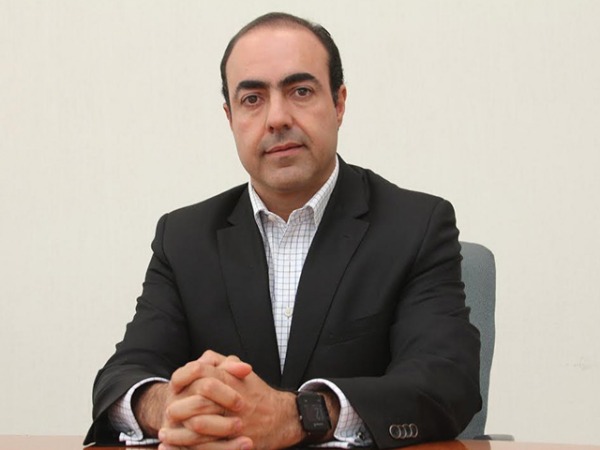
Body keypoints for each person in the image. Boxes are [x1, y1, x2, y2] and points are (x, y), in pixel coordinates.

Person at [85, 12, 481, 450]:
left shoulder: (416, 225)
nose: (276, 118)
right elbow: (122, 376)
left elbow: (446, 381)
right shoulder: (183, 238)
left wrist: (300, 416)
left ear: (339, 103)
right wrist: (169, 407)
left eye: (301, 91)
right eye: (252, 99)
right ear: (230, 117)